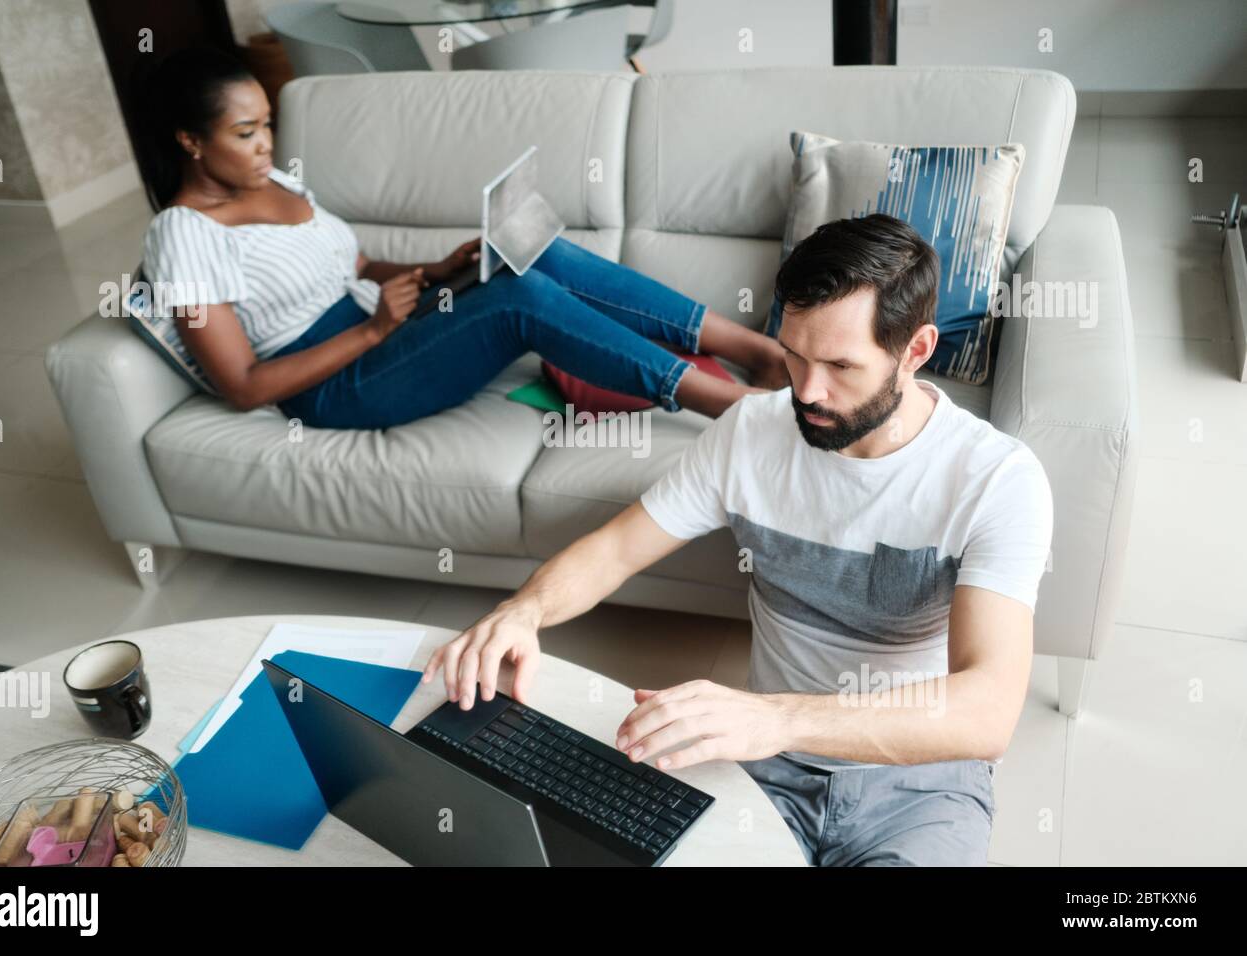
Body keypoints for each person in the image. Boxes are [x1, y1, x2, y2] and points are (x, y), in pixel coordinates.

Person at [422, 213, 1055, 866]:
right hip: (762, 766)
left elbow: (987, 708)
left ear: (916, 350)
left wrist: (778, 718)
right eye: (794, 355)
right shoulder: (754, 431)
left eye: (840, 365)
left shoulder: (995, 480)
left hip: (919, 778)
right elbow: (614, 550)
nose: (806, 392)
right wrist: (524, 610)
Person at [134, 48, 787, 429]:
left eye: (267, 124)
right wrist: (370, 332)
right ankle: (727, 403)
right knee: (521, 299)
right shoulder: (182, 237)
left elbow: (355, 263)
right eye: (245, 132)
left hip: (388, 324)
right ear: (191, 141)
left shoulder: (271, 177)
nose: (266, 145)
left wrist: (439, 267)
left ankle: (754, 349)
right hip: (337, 382)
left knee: (538, 252)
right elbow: (242, 386)